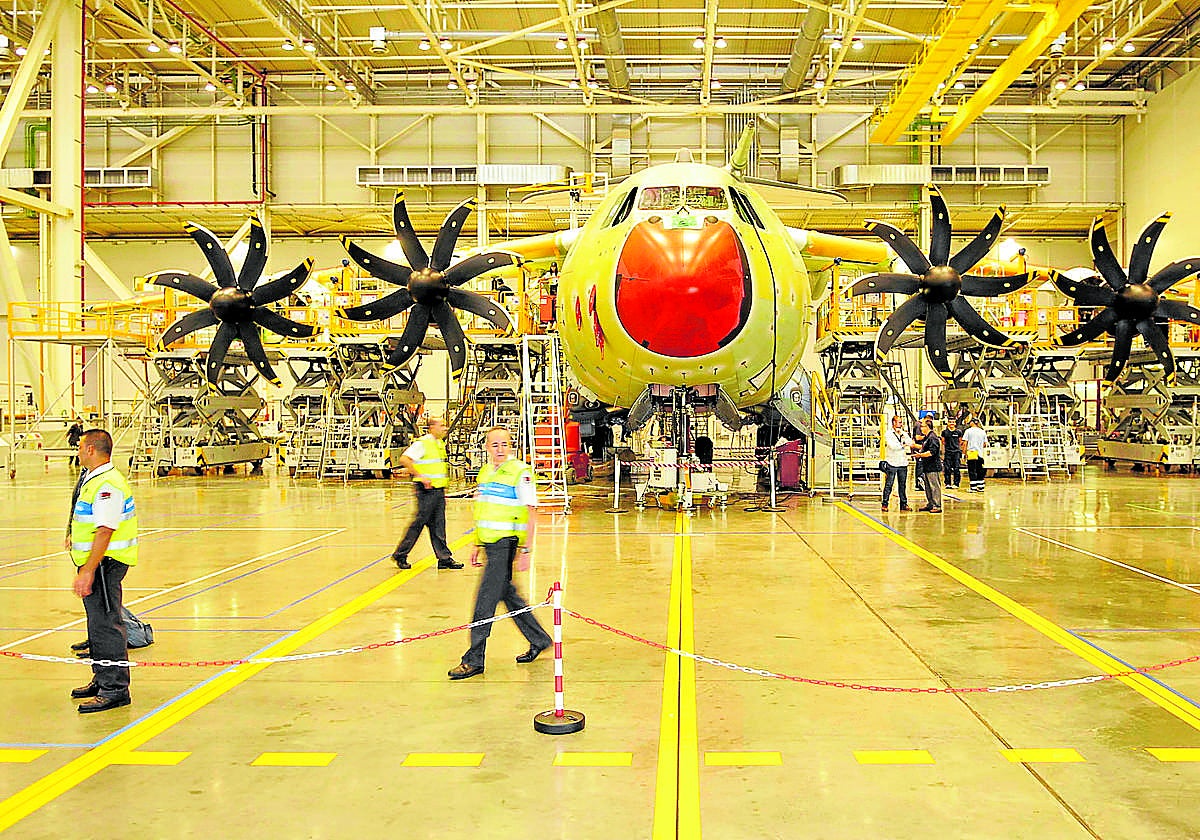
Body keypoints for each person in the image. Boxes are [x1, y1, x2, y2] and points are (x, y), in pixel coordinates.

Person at [448, 426, 552, 680]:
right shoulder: (485, 473)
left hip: (506, 546)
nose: (500, 449)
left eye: (504, 444)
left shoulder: (520, 473)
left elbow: (532, 512)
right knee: (509, 595)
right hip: (490, 545)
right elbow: (482, 511)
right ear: (487, 447)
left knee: (484, 603)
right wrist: (477, 543)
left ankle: (473, 660)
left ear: (511, 445)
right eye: (495, 445)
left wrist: (526, 549)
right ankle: (539, 639)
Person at [67, 429, 138, 713]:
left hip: (104, 564)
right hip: (97, 562)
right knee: (97, 624)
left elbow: (106, 530)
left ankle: (115, 689)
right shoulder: (94, 478)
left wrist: (88, 570)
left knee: (107, 625)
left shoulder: (108, 484)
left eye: (80, 447)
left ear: (91, 450)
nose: (78, 452)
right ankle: (102, 678)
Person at [391, 416, 462, 570]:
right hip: (426, 491)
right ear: (432, 428)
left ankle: (444, 558)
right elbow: (405, 459)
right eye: (441, 425)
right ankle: (400, 554)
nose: (445, 428)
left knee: (438, 525)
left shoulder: (439, 444)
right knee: (419, 523)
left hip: (438, 490)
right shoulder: (422, 443)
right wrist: (421, 476)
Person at [880, 414, 914, 512]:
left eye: (901, 422)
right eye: (899, 422)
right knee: (889, 484)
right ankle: (885, 504)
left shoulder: (903, 433)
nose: (901, 424)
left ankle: (904, 504)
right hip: (892, 463)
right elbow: (893, 446)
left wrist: (903, 439)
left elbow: (910, 442)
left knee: (902, 485)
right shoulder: (888, 434)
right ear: (894, 423)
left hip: (903, 463)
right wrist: (903, 444)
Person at [912, 418, 943, 513]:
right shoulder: (927, 437)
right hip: (927, 466)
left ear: (928, 427)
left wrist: (920, 455)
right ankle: (931, 504)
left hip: (933, 466)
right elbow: (924, 447)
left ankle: (937, 505)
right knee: (928, 487)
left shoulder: (933, 438)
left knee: (934, 486)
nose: (920, 428)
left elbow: (931, 452)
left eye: (922, 426)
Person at [963, 417, 989, 492]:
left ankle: (973, 487)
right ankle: (981, 486)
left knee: (972, 470)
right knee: (980, 470)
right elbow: (985, 444)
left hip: (972, 453)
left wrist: (964, 453)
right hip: (980, 453)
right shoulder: (982, 431)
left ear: (972, 422)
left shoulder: (968, 431)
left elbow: (965, 443)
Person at [941, 417, 963, 490]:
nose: (951, 423)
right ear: (948, 423)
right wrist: (943, 452)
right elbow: (943, 442)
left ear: (955, 423)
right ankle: (947, 483)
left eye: (953, 422)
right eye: (950, 422)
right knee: (947, 468)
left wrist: (960, 451)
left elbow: (960, 442)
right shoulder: (944, 432)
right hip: (948, 452)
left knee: (956, 468)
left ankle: (956, 483)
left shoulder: (958, 432)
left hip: (956, 452)